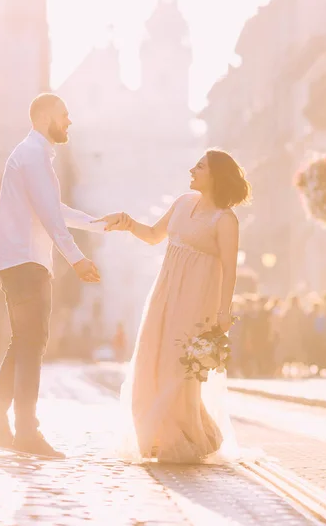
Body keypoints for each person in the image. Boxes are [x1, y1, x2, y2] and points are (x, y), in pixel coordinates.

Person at [98, 149, 251, 463]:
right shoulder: (182, 203)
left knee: (177, 367)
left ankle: (178, 437)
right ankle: (156, 435)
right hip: (164, 295)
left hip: (197, 302)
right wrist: (128, 224)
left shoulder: (225, 220)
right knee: (151, 361)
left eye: (200, 166)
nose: (192, 169)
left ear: (216, 176)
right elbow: (154, 235)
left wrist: (223, 313)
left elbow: (229, 269)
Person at [0, 93, 105, 459]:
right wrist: (77, 259)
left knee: (23, 342)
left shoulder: (35, 155)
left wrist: (100, 225)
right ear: (46, 115)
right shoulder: (32, 155)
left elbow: (55, 209)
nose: (69, 122)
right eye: (65, 115)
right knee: (31, 344)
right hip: (24, 259)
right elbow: (50, 217)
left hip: (20, 257)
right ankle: (26, 432)